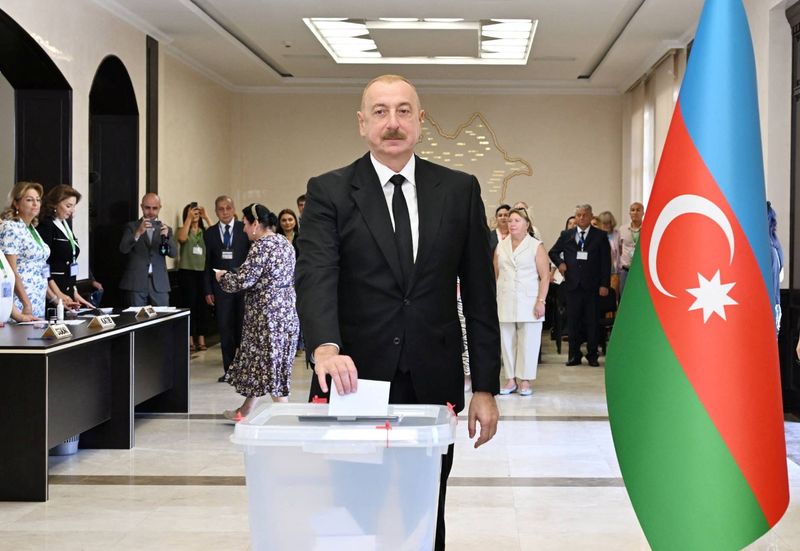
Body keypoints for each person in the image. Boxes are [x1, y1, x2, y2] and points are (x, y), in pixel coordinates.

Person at [295, 74, 500, 550]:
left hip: (432, 381)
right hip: (353, 380)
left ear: (420, 121)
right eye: (381, 111)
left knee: (424, 510)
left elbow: (478, 291)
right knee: (354, 509)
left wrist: (486, 386)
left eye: (404, 111)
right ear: (362, 122)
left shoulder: (458, 189)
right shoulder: (329, 191)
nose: (393, 122)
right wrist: (325, 347)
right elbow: (317, 273)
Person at [217, 203, 298, 419]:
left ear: (255, 224)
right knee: (265, 363)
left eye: (244, 224)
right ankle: (244, 411)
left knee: (269, 365)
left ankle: (286, 416)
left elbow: (244, 279)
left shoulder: (262, 246)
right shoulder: (284, 242)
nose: (243, 229)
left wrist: (223, 277)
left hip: (267, 316)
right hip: (286, 311)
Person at [495, 208, 550, 396]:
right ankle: (510, 379)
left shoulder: (536, 246)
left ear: (527, 224)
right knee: (507, 340)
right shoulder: (501, 246)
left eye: (517, 220)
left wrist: (541, 301)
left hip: (529, 300)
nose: (512, 224)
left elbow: (544, 276)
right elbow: (496, 274)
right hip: (505, 298)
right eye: (510, 221)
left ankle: (525, 380)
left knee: (528, 341)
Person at [548, 204, 611, 367]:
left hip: (592, 286)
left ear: (591, 217)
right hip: (572, 285)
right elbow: (553, 252)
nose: (581, 218)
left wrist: (605, 284)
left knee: (592, 321)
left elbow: (606, 262)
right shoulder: (567, 235)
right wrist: (560, 263)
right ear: (575, 217)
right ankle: (574, 355)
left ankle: (592, 355)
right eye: (578, 215)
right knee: (573, 322)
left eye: (585, 215)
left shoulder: (600, 236)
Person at [204, 196, 250, 382]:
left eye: (228, 208)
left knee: (243, 329)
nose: (225, 212)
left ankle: (245, 370)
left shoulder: (243, 229)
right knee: (225, 328)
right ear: (215, 211)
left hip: (243, 287)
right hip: (221, 288)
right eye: (221, 209)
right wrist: (208, 290)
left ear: (233, 209)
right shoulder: (210, 233)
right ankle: (229, 371)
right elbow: (207, 264)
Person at [37, 185, 95, 310]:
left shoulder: (64, 224)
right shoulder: (46, 225)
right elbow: (43, 264)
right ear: (54, 204)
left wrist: (75, 293)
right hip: (52, 292)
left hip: (67, 289)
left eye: (74, 206)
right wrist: (57, 294)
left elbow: (71, 261)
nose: (72, 210)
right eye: (68, 206)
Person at [0, 182, 51, 318]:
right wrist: (26, 303)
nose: (35, 204)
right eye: (29, 200)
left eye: (38, 200)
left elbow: (39, 268)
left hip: (38, 299)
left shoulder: (32, 228)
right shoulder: (11, 228)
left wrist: (55, 298)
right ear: (16, 204)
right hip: (19, 303)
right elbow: (12, 271)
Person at [118, 193, 177, 306]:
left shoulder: (166, 228)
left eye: (155, 208)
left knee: (163, 319)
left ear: (160, 208)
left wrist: (167, 238)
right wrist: (138, 233)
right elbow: (123, 249)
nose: (151, 212)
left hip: (159, 282)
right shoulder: (132, 226)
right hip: (136, 282)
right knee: (137, 320)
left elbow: (174, 254)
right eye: (147, 207)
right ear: (141, 207)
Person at [177, 202, 212, 351]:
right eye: (193, 212)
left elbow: (215, 236)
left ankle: (201, 338)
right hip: (187, 271)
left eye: (197, 213)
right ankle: (190, 339)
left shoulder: (204, 232)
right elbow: (182, 239)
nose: (196, 215)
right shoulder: (182, 229)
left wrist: (206, 217)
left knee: (202, 306)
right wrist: (188, 220)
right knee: (189, 304)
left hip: (203, 271)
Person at [618, 202, 644, 297]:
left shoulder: (648, 228)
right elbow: (619, 248)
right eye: (632, 210)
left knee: (640, 297)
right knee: (624, 297)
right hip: (626, 270)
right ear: (629, 213)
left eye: (638, 210)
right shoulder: (622, 229)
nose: (635, 212)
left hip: (641, 270)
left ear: (643, 212)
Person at [597, 210, 621, 297]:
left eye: (608, 223)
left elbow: (620, 251)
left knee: (613, 296)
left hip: (614, 271)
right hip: (599, 272)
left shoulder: (617, 234)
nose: (607, 225)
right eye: (604, 223)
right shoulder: (597, 235)